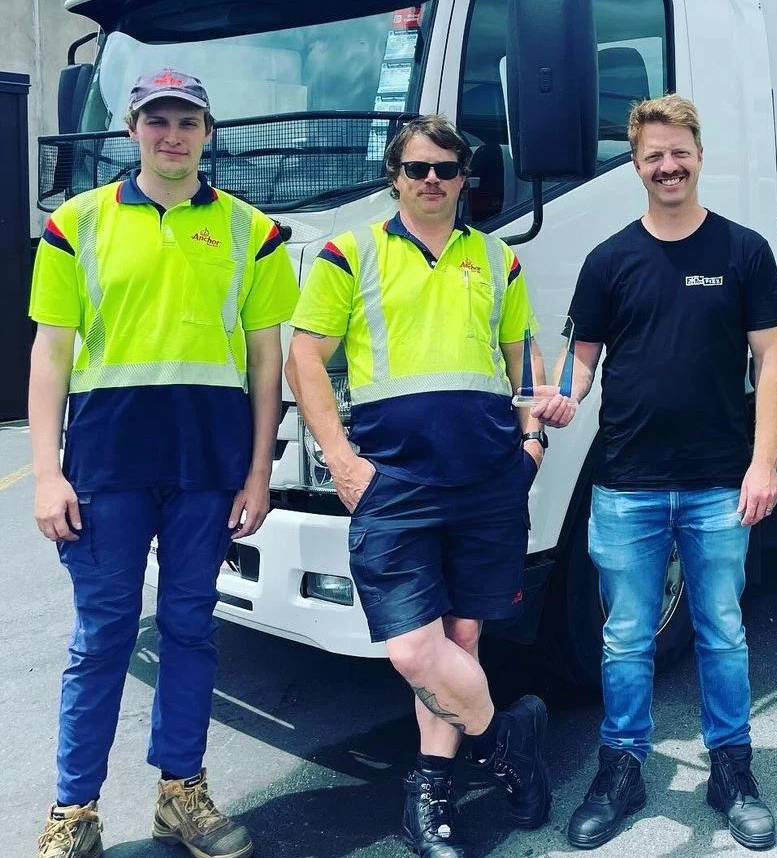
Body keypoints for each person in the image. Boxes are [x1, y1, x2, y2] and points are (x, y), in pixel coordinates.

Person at [30, 69, 299, 858]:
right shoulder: (74, 226)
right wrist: (47, 471)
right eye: (157, 119)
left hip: (207, 468)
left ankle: (181, 793)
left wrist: (258, 472)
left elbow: (264, 363)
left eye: (187, 120)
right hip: (106, 466)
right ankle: (73, 812)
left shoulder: (255, 232)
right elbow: (51, 356)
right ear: (132, 128)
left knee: (189, 628)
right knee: (103, 636)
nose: (172, 134)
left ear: (208, 133)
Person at [530, 94, 777, 851]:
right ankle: (622, 768)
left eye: (678, 152)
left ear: (699, 155)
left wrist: (763, 462)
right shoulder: (610, 259)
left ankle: (732, 771)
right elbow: (581, 365)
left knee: (722, 632)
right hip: (626, 485)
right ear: (637, 165)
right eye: (652, 156)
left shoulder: (742, 251)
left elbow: (771, 360)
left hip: (718, 484)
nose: (667, 166)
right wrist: (564, 401)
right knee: (625, 638)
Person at [286, 114, 551, 858]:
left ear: (465, 178)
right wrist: (339, 457)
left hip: (488, 478)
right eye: (416, 168)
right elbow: (305, 360)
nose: (431, 180)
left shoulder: (499, 259)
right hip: (395, 483)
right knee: (413, 649)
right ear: (393, 176)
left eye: (445, 168)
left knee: (461, 637)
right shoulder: (349, 252)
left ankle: (430, 792)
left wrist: (533, 438)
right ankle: (507, 738)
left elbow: (524, 361)